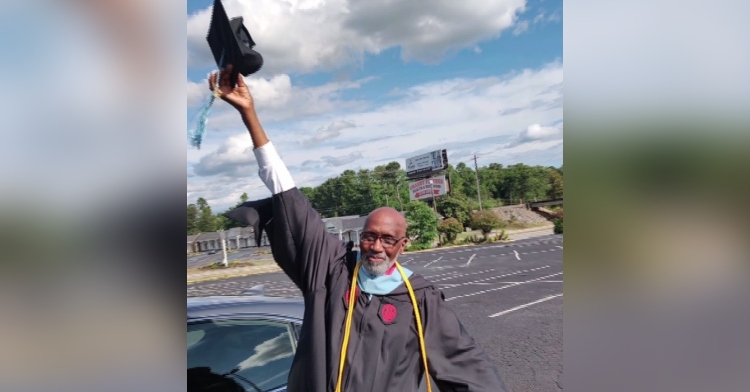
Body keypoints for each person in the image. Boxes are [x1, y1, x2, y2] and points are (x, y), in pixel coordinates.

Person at [214, 65, 507, 392]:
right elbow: (290, 199)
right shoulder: (333, 271)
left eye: (387, 239)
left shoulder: (421, 298)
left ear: (403, 244)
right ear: (360, 237)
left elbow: (465, 365)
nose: (376, 247)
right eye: (370, 236)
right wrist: (249, 113)